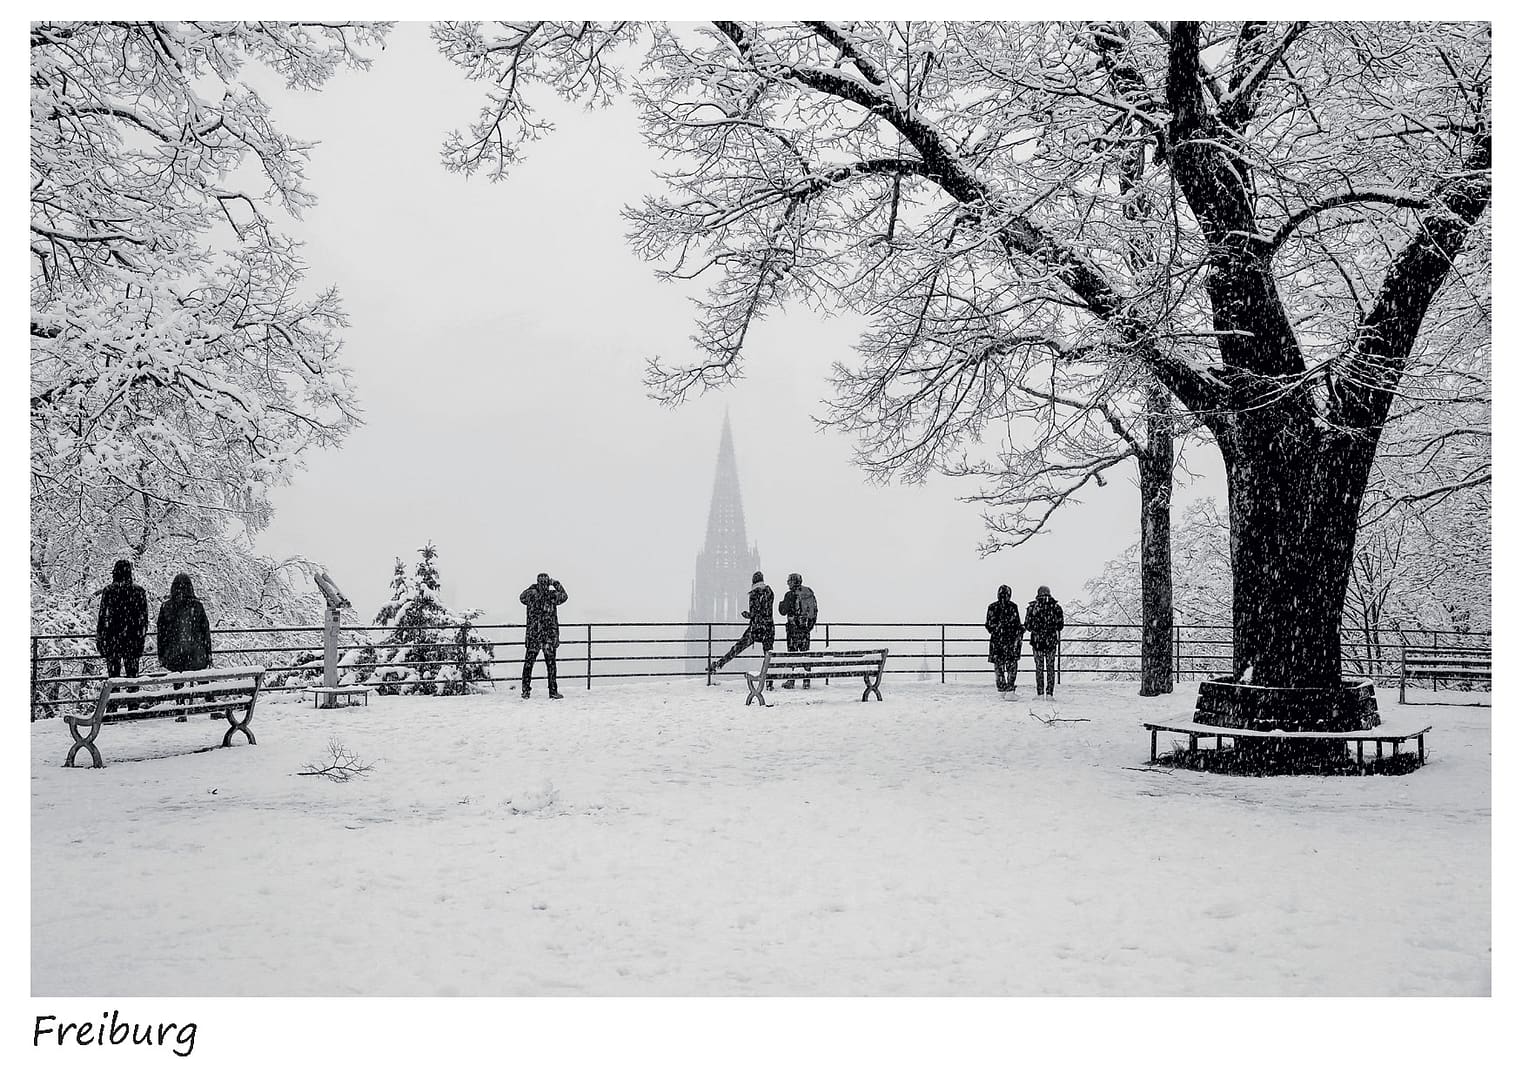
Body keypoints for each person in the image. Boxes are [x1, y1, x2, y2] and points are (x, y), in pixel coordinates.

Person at [156, 573, 215, 719]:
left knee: (178, 680)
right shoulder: (197, 606)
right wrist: (208, 652)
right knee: (202, 678)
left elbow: (161, 633)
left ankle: (181, 709)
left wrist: (162, 654)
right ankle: (211, 705)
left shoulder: (167, 607)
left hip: (175, 654)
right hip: (196, 653)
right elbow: (205, 631)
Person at [96, 560, 148, 706]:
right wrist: (140, 637)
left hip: (113, 640)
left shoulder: (109, 591)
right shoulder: (138, 592)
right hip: (132, 640)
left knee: (113, 677)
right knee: (132, 675)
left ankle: (113, 706)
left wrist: (101, 637)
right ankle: (133, 705)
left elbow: (102, 617)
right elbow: (144, 619)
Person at [710, 571, 775, 688]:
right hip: (769, 628)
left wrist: (748, 615)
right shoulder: (770, 592)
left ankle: (720, 663)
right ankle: (769, 680)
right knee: (768, 654)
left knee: (738, 647)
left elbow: (756, 613)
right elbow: (765, 611)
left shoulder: (754, 594)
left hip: (756, 628)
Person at [520, 573, 568, 699]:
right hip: (548, 636)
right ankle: (552, 691)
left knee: (529, 664)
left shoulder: (531, 594)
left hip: (533, 635)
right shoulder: (552, 595)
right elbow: (564, 596)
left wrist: (532, 587)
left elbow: (521, 597)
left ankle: (525, 690)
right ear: (548, 583)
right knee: (551, 665)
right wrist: (555, 583)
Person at [777, 572, 818, 689]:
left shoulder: (790, 595)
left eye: (789, 581)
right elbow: (815, 611)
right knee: (805, 654)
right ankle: (806, 681)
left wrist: (781, 604)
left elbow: (782, 611)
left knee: (793, 655)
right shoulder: (808, 593)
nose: (787, 583)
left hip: (793, 629)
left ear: (792, 582)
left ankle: (791, 680)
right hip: (805, 629)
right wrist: (809, 627)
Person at [1026, 585, 1065, 697]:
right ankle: (1049, 693)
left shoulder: (1032, 607)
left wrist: (1037, 628)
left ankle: (1039, 693)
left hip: (1037, 642)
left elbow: (1028, 626)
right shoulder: (1056, 607)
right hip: (1051, 641)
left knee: (1039, 667)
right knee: (1050, 667)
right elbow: (1060, 625)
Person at [984, 584, 1024, 693]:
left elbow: (988, 625)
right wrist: (1017, 631)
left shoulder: (992, 607)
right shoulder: (1013, 607)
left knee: (999, 666)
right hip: (1010, 641)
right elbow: (1017, 624)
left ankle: (1001, 687)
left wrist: (996, 629)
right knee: (1011, 665)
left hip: (997, 641)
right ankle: (1010, 686)